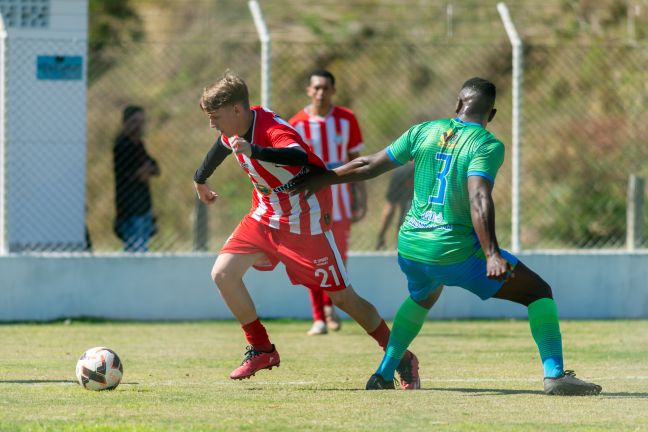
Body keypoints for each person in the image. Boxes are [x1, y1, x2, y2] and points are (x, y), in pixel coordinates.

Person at [292, 77, 602, 396]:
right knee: (538, 292)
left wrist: (326, 178)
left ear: (457, 105)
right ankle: (555, 375)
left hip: (411, 246)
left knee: (422, 296)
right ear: (491, 114)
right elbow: (479, 197)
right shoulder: (486, 144)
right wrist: (492, 253)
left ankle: (384, 373)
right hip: (454, 251)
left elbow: (368, 164)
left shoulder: (423, 131)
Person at [192, 70, 420, 388]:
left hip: (305, 221)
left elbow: (298, 156)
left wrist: (254, 151)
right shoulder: (234, 128)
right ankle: (261, 348)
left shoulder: (271, 129)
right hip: (265, 215)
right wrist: (200, 179)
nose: (212, 124)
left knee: (343, 299)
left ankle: (401, 357)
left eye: (216, 117)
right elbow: (221, 146)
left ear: (237, 110)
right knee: (223, 274)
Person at [289, 69, 367, 336]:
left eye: (326, 88)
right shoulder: (296, 124)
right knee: (310, 258)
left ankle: (330, 306)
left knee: (336, 257)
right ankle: (319, 316)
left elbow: (357, 160)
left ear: (333, 90)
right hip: (308, 202)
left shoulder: (347, 120)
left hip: (340, 201)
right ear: (309, 90)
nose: (321, 92)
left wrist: (361, 196)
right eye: (316, 88)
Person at [113, 105, 160, 252]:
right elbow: (139, 173)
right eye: (135, 121)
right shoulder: (122, 146)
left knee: (141, 249)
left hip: (143, 206)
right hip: (130, 209)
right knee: (135, 251)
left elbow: (155, 168)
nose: (139, 126)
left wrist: (148, 169)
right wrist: (147, 169)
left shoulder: (139, 145)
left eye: (141, 122)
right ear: (125, 123)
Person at [375, 163, 414, 250]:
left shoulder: (400, 173)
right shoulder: (435, 172)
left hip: (405, 232)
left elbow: (389, 210)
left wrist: (381, 235)